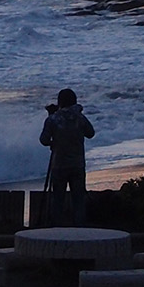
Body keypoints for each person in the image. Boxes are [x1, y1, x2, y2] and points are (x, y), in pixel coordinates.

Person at [39, 88, 95, 225]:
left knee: (58, 200)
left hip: (59, 165)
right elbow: (91, 133)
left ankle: (57, 230)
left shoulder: (53, 119)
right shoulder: (80, 118)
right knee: (78, 201)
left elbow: (44, 140)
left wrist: (54, 141)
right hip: (77, 165)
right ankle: (79, 230)